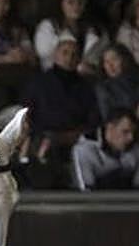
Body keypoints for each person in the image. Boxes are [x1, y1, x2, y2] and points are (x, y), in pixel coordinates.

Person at [26, 38, 102, 179]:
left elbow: (93, 118)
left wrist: (74, 135)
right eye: (65, 53)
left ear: (79, 59)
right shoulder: (38, 83)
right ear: (55, 55)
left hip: (76, 136)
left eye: (74, 54)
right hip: (44, 135)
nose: (69, 58)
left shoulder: (87, 86)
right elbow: (28, 113)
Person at [34, 0, 107, 73]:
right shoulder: (48, 26)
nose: (76, 6)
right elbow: (44, 53)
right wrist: (77, 66)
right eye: (70, 2)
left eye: (80, 2)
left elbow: (104, 56)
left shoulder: (95, 29)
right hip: (55, 78)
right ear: (61, 4)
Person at [71, 108, 139, 191]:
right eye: (125, 132)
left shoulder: (136, 148)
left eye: (133, 132)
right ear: (110, 128)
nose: (131, 138)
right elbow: (86, 192)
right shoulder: (84, 150)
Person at [94, 44, 139, 125]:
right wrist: (136, 116)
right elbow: (108, 121)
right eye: (106, 61)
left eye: (114, 59)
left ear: (125, 59)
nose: (110, 65)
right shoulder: (103, 88)